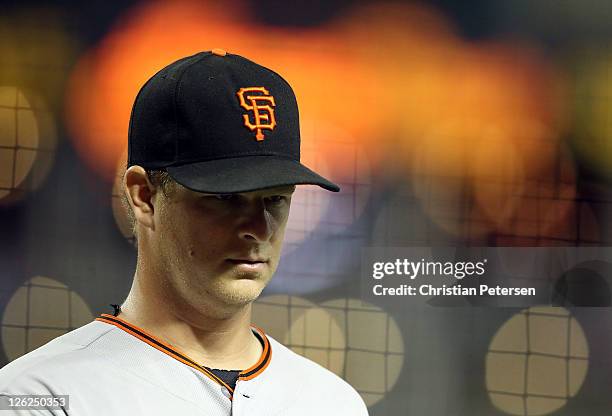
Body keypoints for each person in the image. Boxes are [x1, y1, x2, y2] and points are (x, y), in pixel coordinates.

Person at [0, 49, 369, 415]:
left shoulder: (332, 403)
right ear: (143, 196)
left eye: (274, 199)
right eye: (225, 197)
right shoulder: (40, 396)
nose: (258, 229)